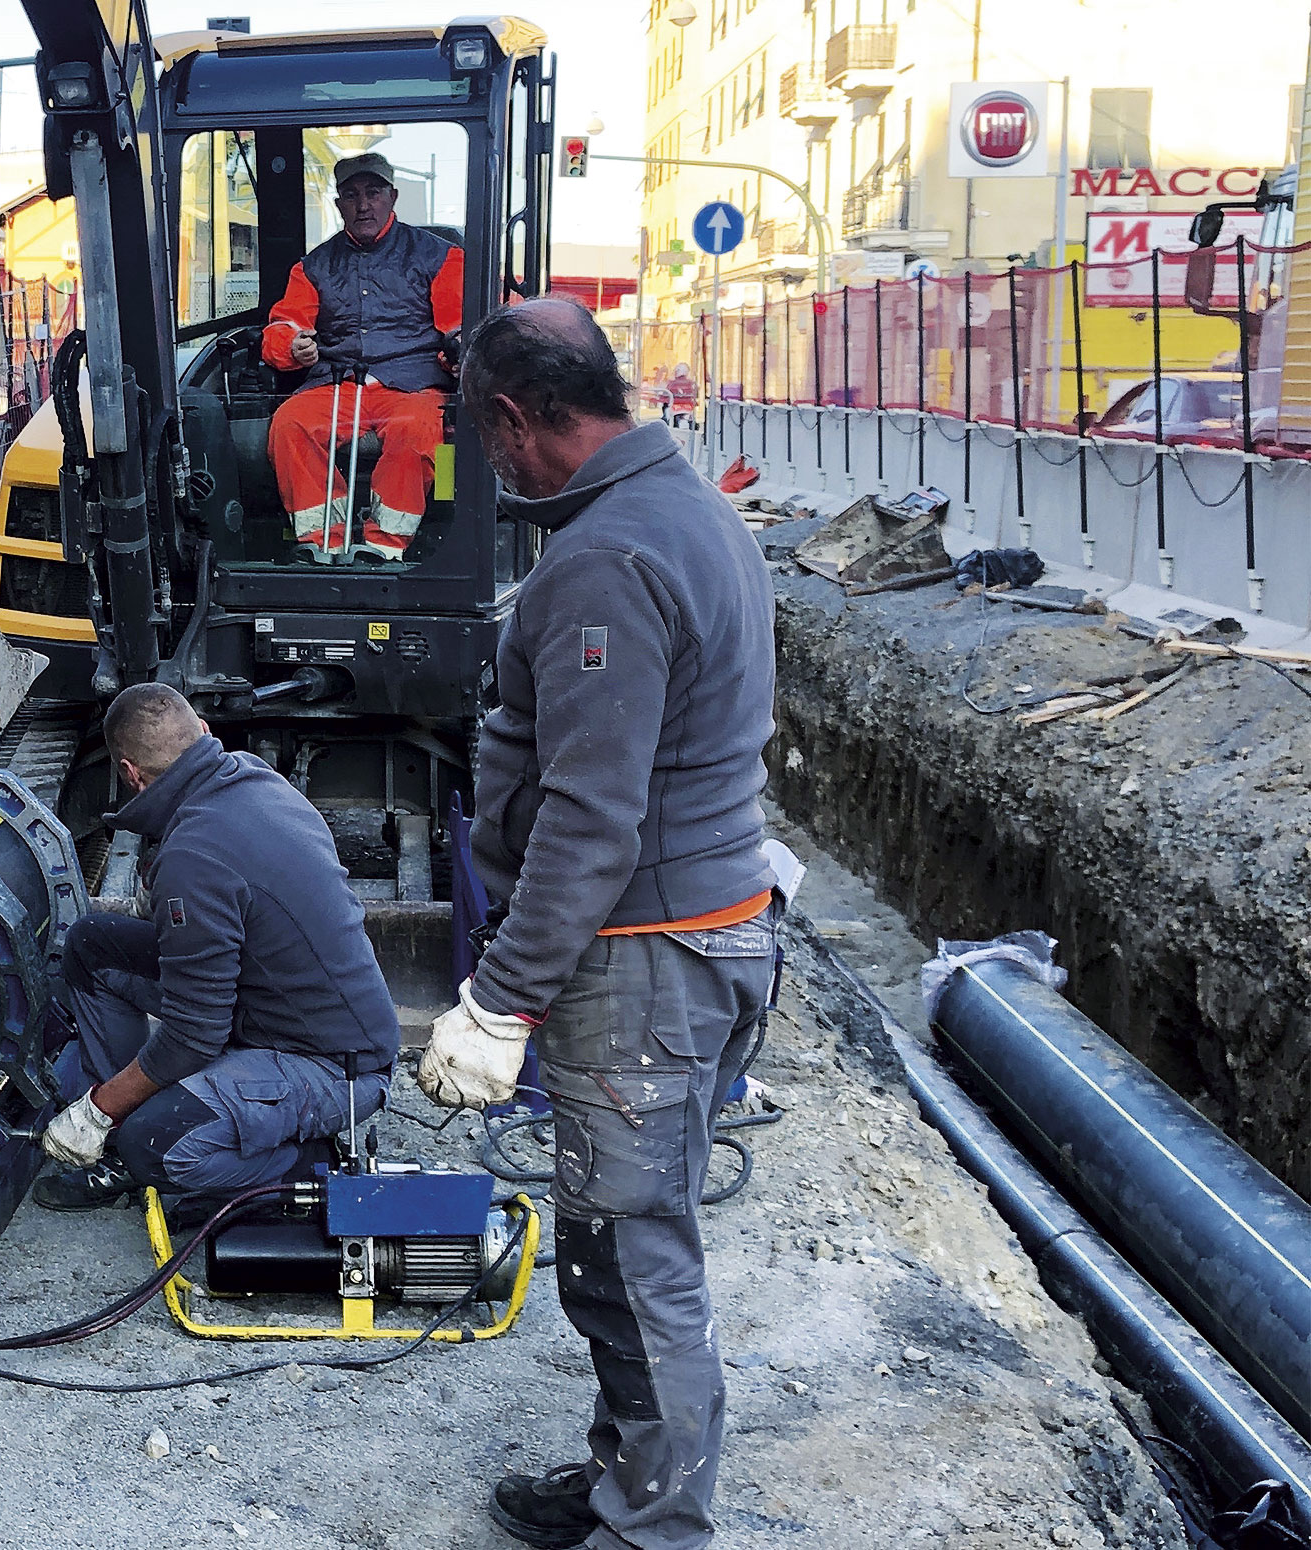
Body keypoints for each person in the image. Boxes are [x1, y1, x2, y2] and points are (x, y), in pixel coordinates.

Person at [422, 297, 780, 1550]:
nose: (491, 462)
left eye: (487, 435)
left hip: (644, 962)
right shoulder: (689, 512)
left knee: (637, 1257)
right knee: (614, 1233)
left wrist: (502, 995)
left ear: (519, 418)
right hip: (702, 930)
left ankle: (655, 1526)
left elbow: (591, 820)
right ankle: (627, 1477)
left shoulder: (604, 562)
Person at [35, 683, 401, 1210]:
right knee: (94, 946)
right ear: (202, 733)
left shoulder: (193, 857)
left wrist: (98, 1108)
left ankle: (302, 1160)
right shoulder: (250, 776)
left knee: (157, 1149)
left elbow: (193, 1034)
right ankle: (114, 1140)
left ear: (131, 774)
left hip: (334, 1067)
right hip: (265, 1007)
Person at [259, 151, 468, 564]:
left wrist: (460, 355)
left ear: (392, 196)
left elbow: (460, 328)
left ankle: (383, 546)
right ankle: (322, 543)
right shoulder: (313, 266)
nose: (363, 204)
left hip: (413, 386)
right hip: (337, 385)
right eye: (351, 195)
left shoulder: (443, 256)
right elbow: (281, 326)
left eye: (373, 193)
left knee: (417, 427)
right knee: (290, 423)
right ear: (338, 205)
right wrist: (292, 346)